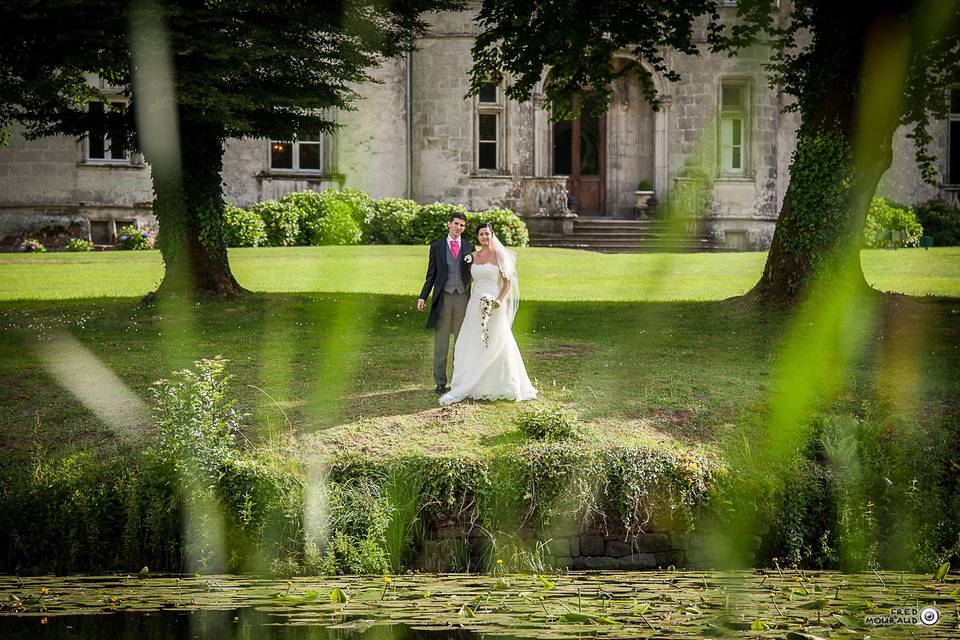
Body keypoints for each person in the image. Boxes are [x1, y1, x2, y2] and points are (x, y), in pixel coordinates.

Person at [439, 225, 537, 405]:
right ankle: (471, 382)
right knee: (472, 339)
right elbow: (467, 280)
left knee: (497, 339)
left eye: (487, 234)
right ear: (477, 237)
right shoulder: (473, 257)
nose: (485, 236)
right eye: (481, 234)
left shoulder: (500, 255)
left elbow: (507, 283)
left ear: (492, 235)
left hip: (494, 303)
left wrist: (499, 300)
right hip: (475, 302)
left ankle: (498, 383)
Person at [418, 212, 475, 395]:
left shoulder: (469, 247)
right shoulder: (436, 247)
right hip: (443, 299)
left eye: (462, 225)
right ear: (449, 224)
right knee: (441, 343)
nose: (459, 228)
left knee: (461, 342)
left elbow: (475, 273)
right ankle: (440, 383)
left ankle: (458, 381)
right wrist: (423, 296)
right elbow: (431, 274)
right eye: (456, 224)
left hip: (463, 299)